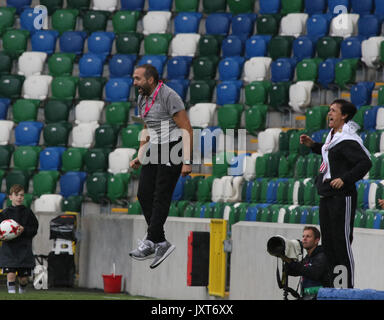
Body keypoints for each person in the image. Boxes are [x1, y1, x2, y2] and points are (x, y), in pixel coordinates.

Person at [300, 99, 372, 288]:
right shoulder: (333, 136)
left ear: (344, 116)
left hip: (342, 197)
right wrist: (313, 145)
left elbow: (365, 163)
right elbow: (331, 155)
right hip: (327, 196)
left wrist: (345, 179)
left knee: (341, 243)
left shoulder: (348, 139)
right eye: (329, 110)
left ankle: (346, 288)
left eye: (333, 110)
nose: (329, 114)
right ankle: (333, 285)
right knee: (329, 244)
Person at [129, 64, 193, 269]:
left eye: (138, 78)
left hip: (174, 147)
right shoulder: (142, 98)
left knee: (160, 195)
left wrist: (187, 161)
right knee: (144, 194)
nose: (134, 82)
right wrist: (140, 154)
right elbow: (147, 127)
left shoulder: (169, 96)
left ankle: (150, 240)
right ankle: (161, 242)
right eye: (133, 78)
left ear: (150, 80)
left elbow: (187, 128)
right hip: (155, 147)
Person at [0, 184, 39, 293]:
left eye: (21, 195)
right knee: (11, 274)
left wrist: (23, 230)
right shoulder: (4, 213)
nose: (19, 197)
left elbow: (34, 229)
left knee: (23, 279)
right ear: (10, 197)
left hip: (24, 249)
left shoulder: (28, 213)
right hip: (9, 249)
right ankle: (12, 295)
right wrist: (3, 235)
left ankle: (22, 292)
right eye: (16, 195)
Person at [284, 226, 331, 298]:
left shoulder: (322, 256)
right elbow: (294, 271)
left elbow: (314, 273)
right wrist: (285, 257)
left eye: (308, 236)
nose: (304, 239)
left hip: (320, 297)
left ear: (316, 240)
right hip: (307, 296)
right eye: (303, 236)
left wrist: (292, 263)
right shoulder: (307, 258)